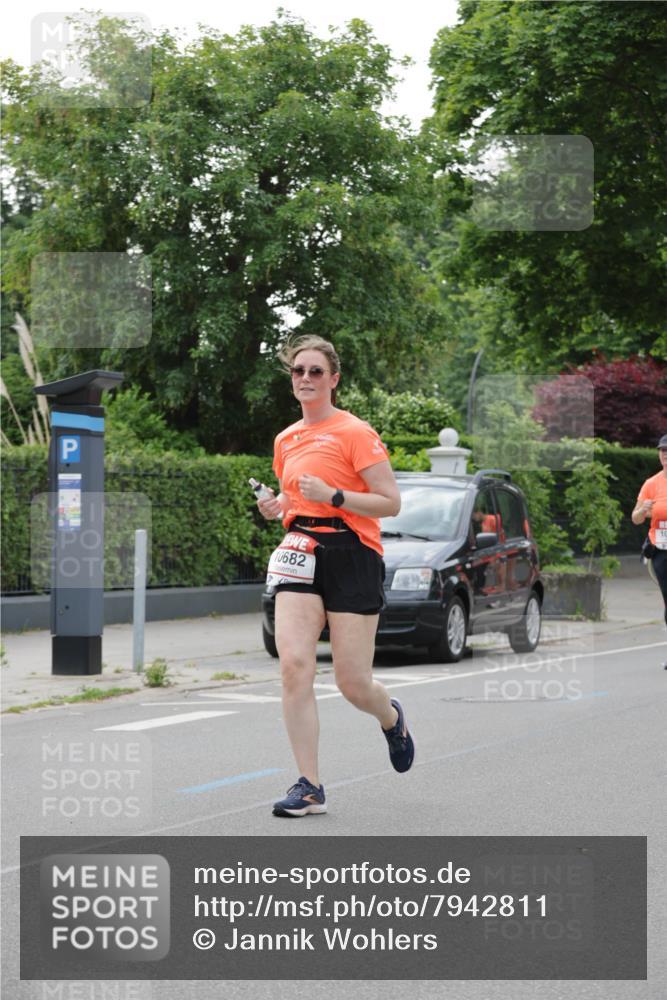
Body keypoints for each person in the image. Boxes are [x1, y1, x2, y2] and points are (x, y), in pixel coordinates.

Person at [256, 334, 414, 817]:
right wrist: (274, 506)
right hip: (299, 547)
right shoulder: (286, 439)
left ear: (334, 379)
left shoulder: (355, 433)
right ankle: (309, 786)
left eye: (315, 372)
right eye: (298, 371)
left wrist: (335, 495)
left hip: (353, 553)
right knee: (294, 667)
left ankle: (391, 718)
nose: (305, 378)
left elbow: (390, 501)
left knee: (352, 682)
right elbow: (294, 499)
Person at [632, 433, 667, 669]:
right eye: (662, 451)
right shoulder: (651, 484)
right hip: (661, 549)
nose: (665, 454)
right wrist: (643, 510)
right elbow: (635, 519)